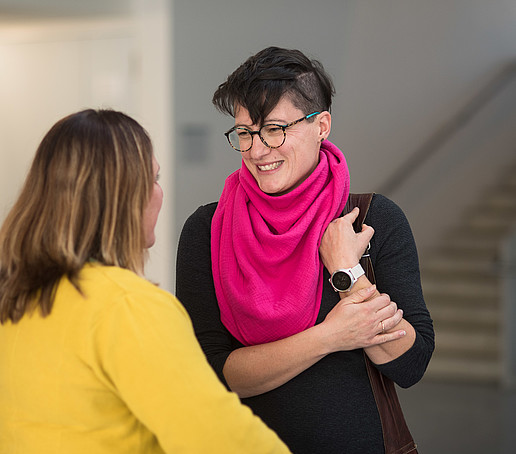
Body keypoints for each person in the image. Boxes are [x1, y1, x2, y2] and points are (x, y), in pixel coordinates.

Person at [176, 47, 435, 454]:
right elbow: (212, 373)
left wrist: (347, 270)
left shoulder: (372, 220)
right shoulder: (208, 230)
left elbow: (410, 362)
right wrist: (330, 336)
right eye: (245, 132)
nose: (258, 150)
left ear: (322, 125)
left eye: (275, 129)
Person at [0, 109, 291, 454]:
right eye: (153, 179)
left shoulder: (15, 297)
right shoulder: (129, 307)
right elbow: (225, 442)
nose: (159, 194)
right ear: (123, 197)